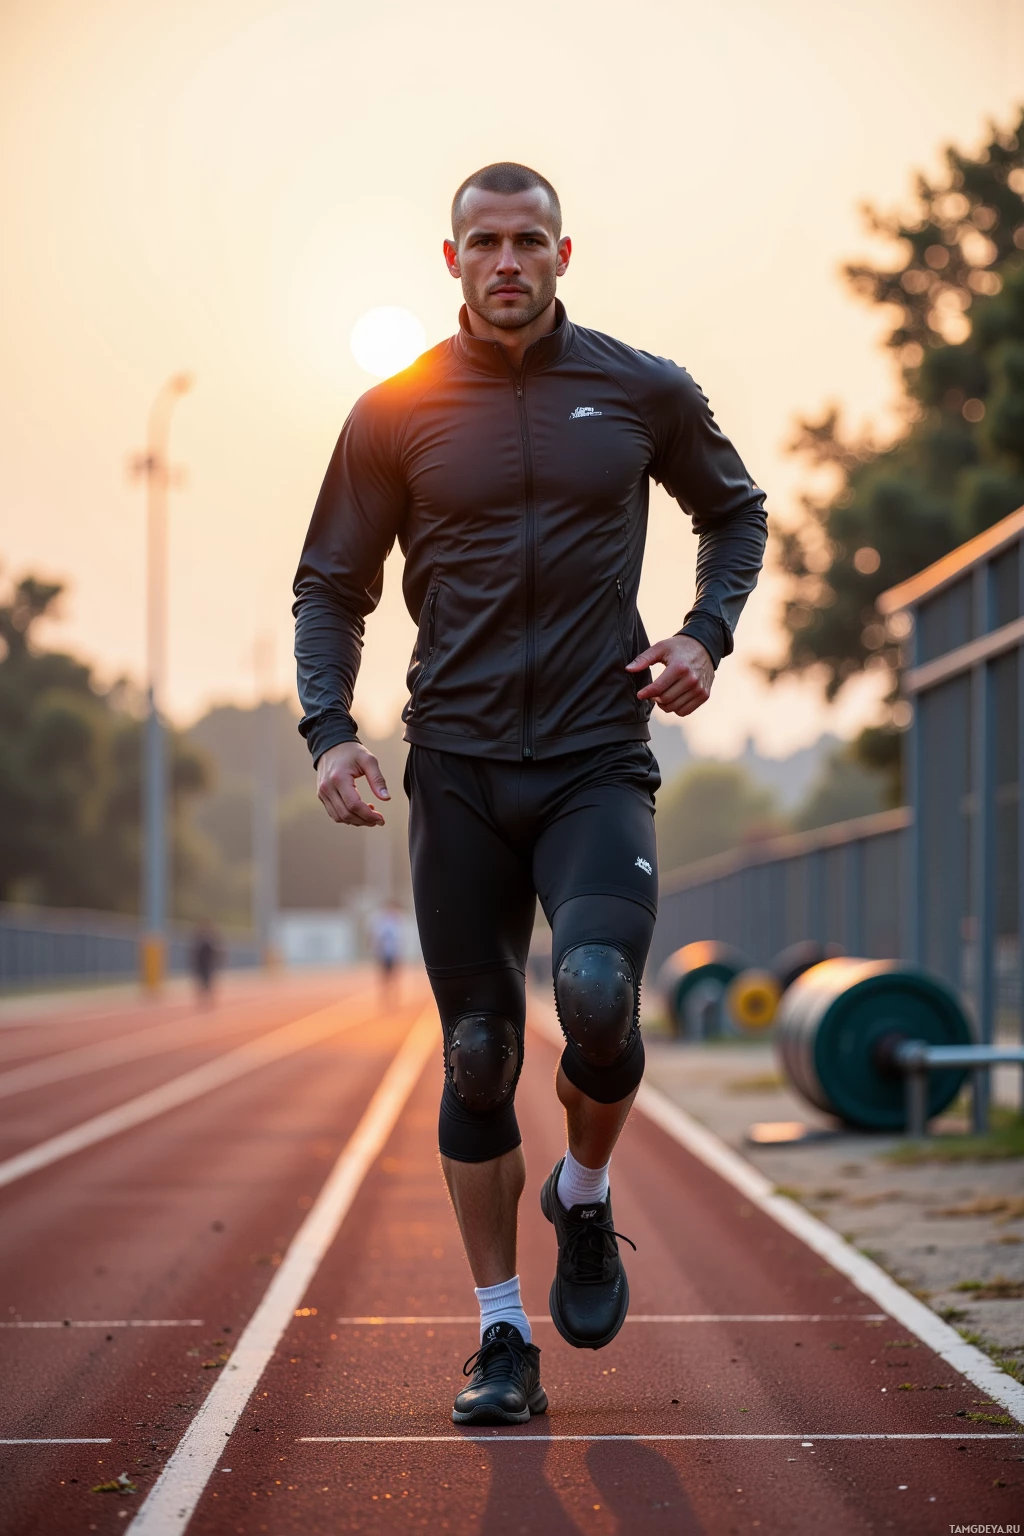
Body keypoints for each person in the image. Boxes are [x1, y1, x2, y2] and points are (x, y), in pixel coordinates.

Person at [293, 163, 766, 1426]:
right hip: (453, 768)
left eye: (531, 240)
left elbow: (736, 514)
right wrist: (331, 733)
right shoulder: (392, 412)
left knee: (599, 1000)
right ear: (449, 260)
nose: (509, 260)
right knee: (478, 1053)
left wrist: (703, 636)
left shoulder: (640, 388)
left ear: (566, 253)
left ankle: (587, 1201)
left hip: (593, 759)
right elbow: (329, 585)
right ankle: (501, 1336)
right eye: (485, 242)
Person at [368, 899, 403, 1006]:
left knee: (394, 977)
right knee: (384, 977)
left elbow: (399, 939)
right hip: (384, 954)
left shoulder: (396, 922)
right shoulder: (382, 923)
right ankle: (386, 998)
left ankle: (394, 998)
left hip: (393, 953)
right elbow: (377, 938)